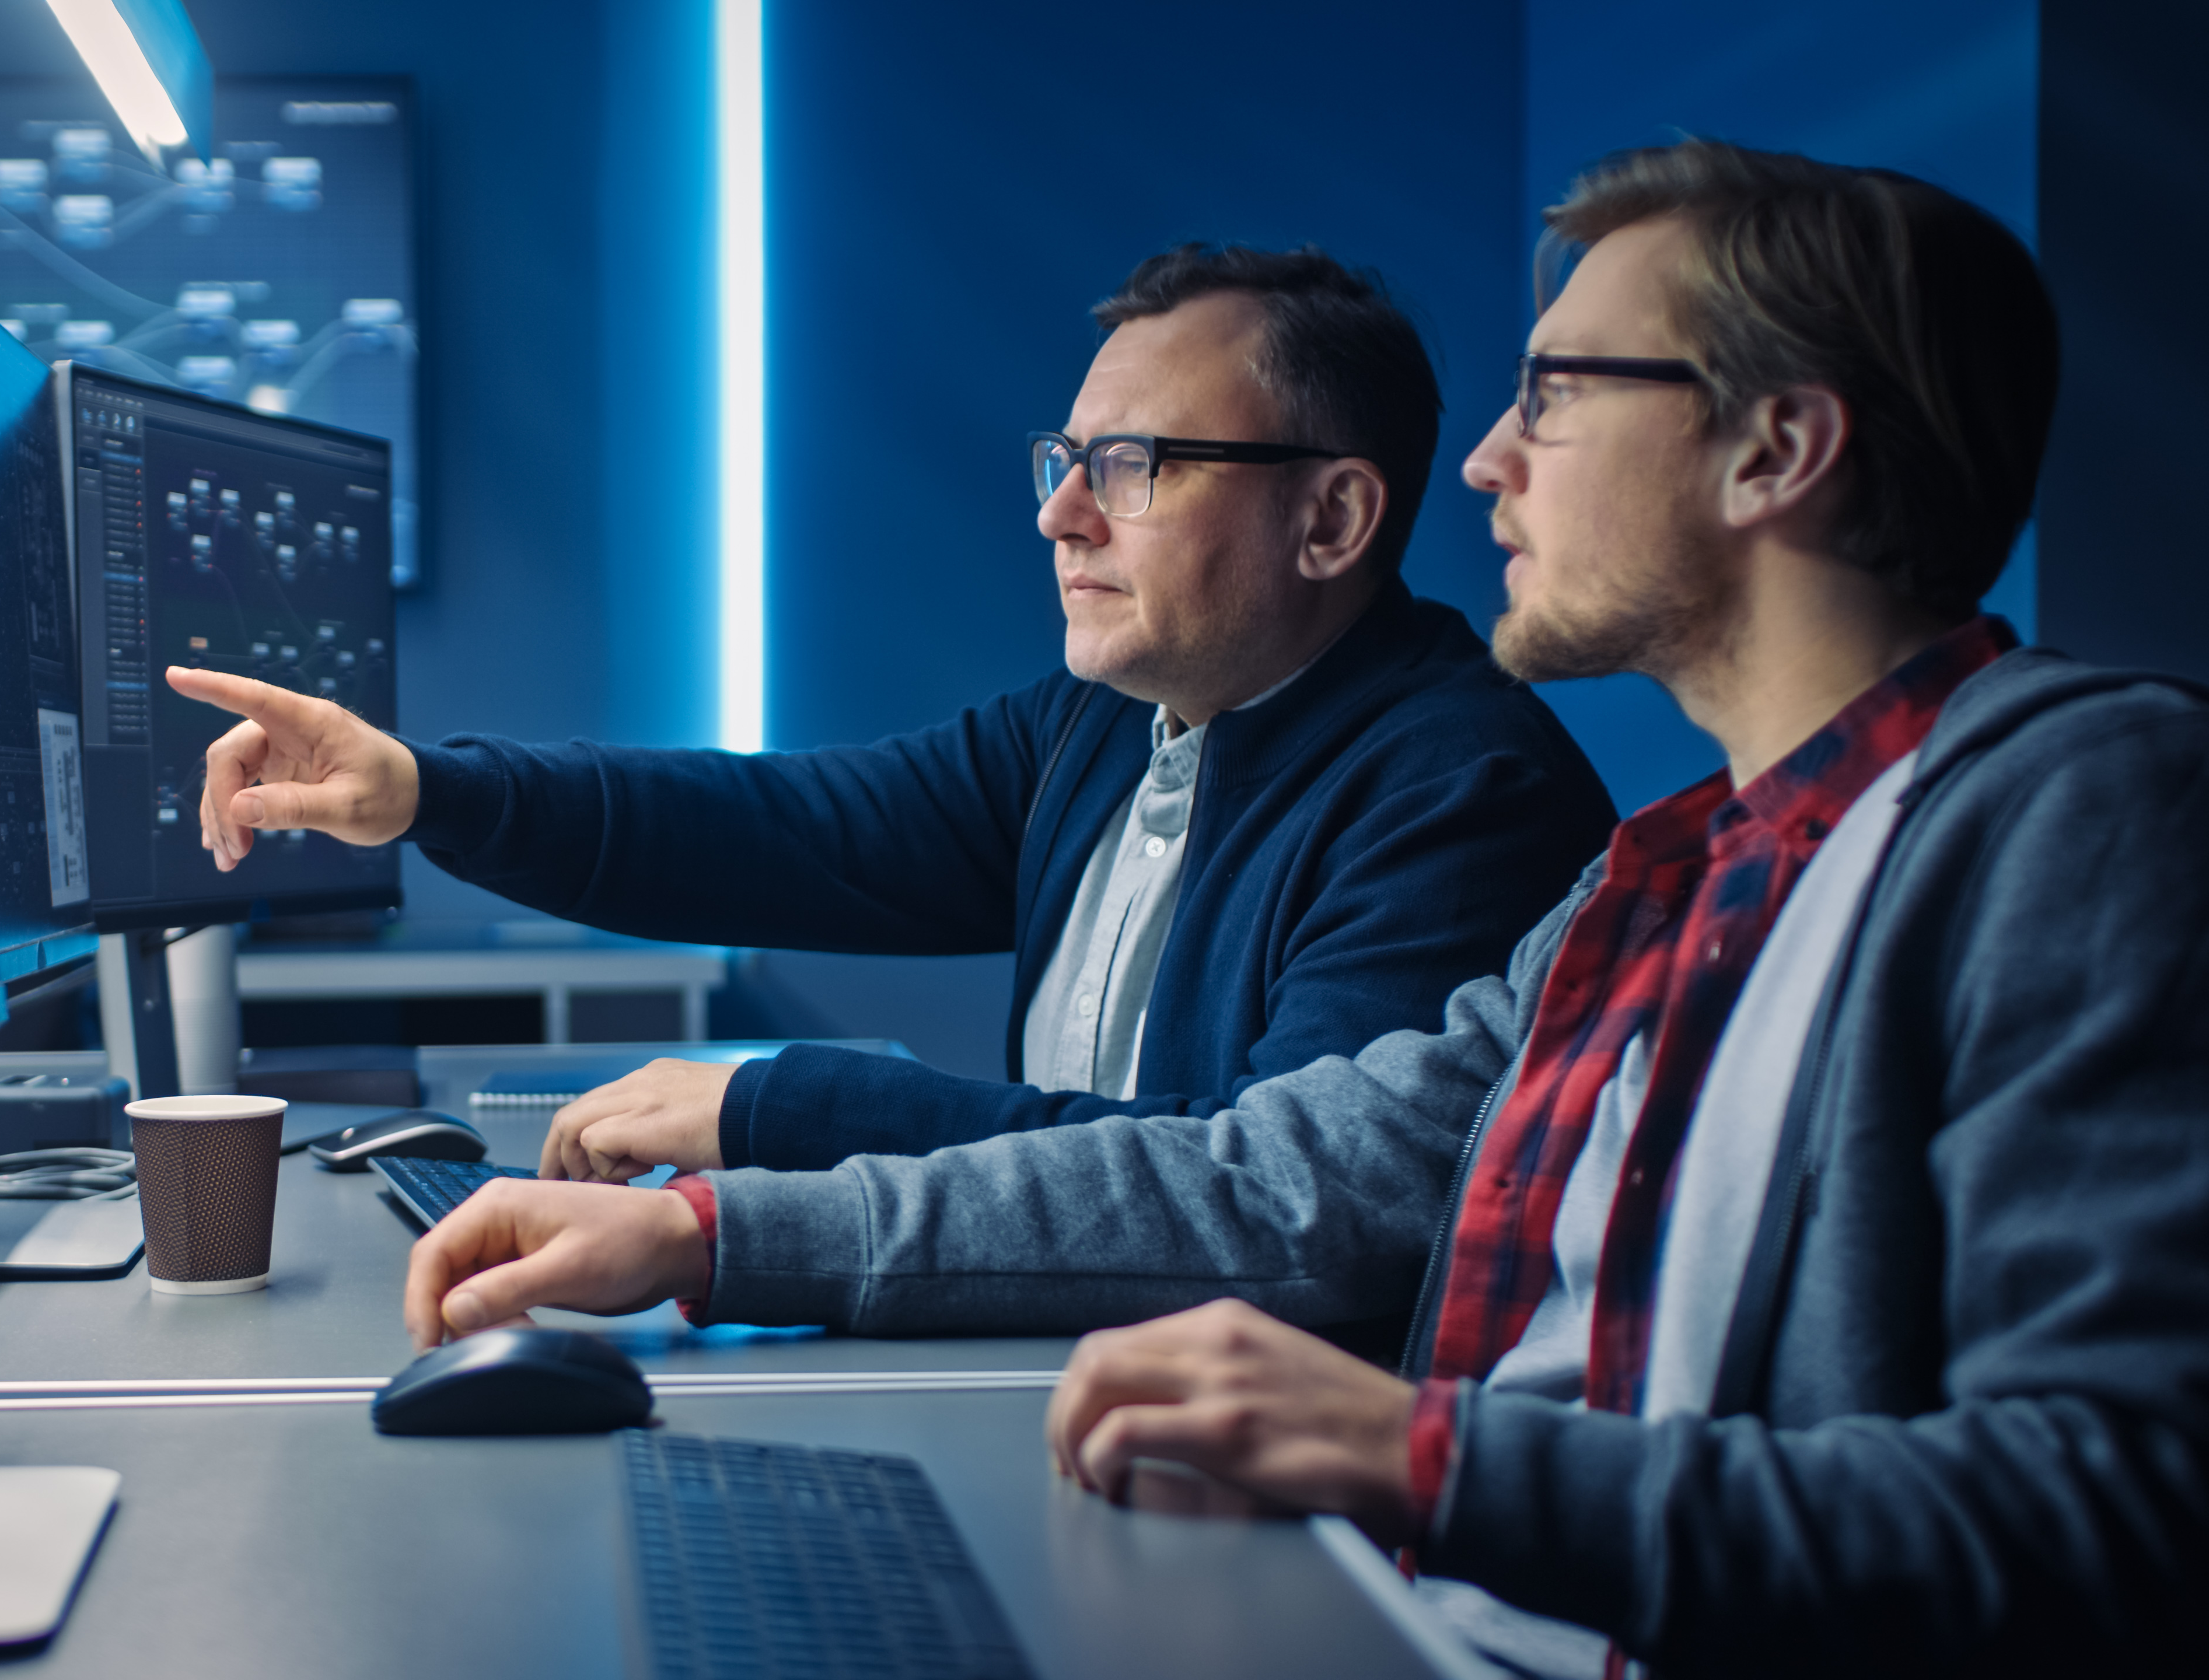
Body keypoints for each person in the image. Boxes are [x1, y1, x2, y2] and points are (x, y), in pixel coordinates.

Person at [390, 139, 2209, 1675]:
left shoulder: (2074, 808)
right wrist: (714, 1234)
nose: (1490, 460)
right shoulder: (1656, 881)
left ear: (1775, 451)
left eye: (1560, 397)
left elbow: (2109, 1502)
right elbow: (1278, 1179)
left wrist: (1423, 1459)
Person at [172, 246, 1612, 1231]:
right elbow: (784, 831)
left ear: (1334, 519)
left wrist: (774, 1110)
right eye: (1065, 463)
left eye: (1133, 468)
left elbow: (1247, 1199)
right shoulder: (1104, 730)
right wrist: (423, 791)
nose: (1061, 516)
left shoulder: (1457, 794)